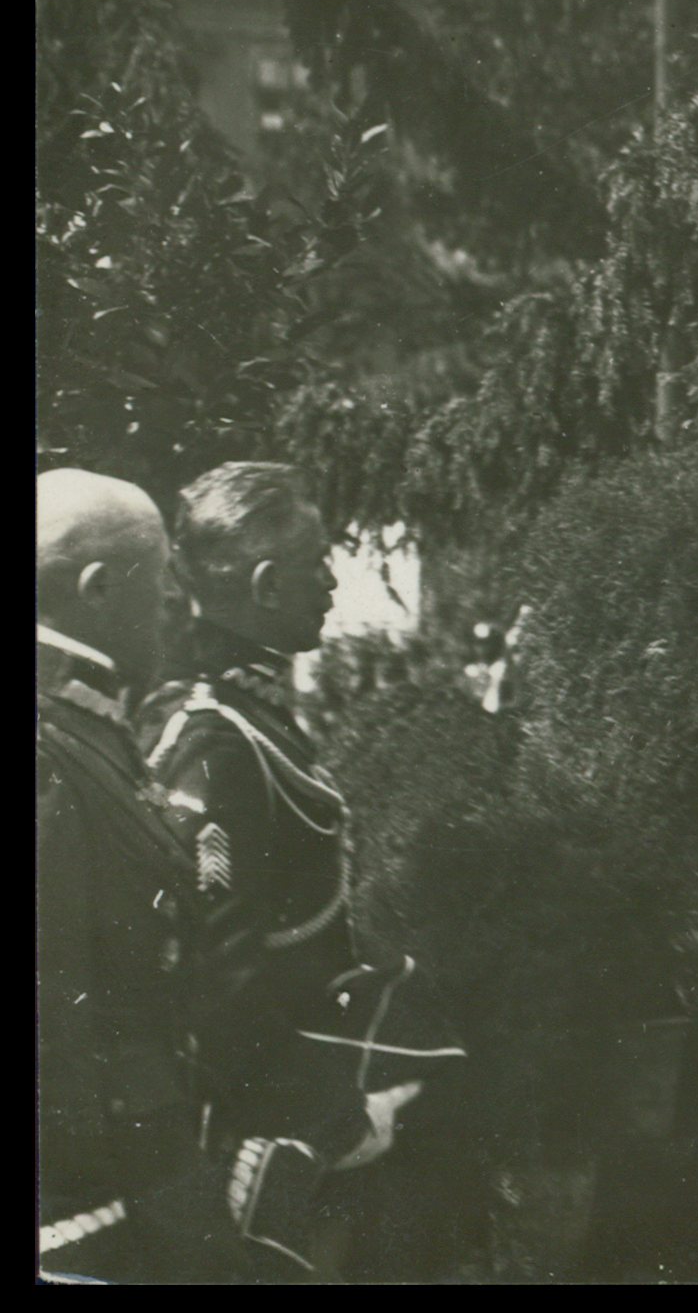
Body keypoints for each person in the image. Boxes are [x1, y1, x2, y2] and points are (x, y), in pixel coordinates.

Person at [144, 466, 448, 1277]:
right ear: (267, 584)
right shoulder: (217, 738)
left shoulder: (256, 715)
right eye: (318, 558)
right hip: (268, 1127)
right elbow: (222, 982)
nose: (334, 575)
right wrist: (329, 1119)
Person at [38, 469, 280, 1282]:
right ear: (98, 588)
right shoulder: (47, 748)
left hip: (146, 1156)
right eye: (159, 579)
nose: (175, 605)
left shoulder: (88, 724)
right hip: (100, 1195)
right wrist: (75, 1219)